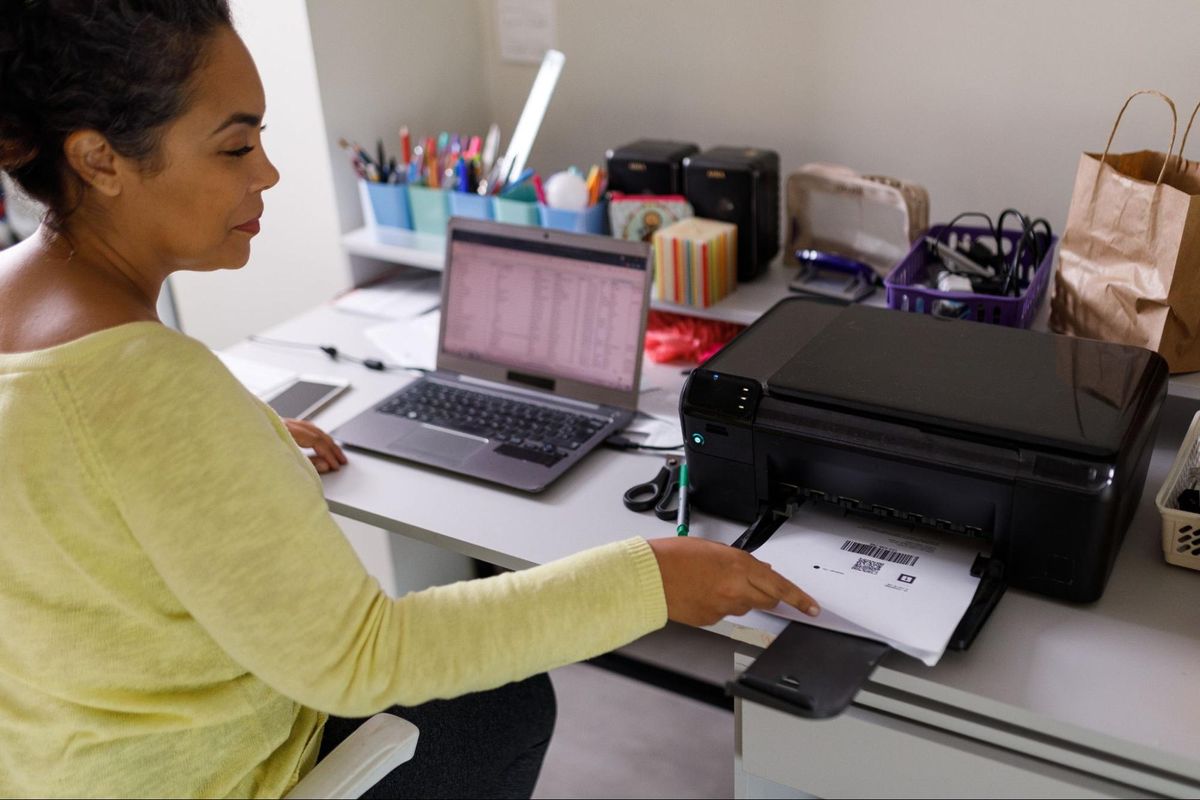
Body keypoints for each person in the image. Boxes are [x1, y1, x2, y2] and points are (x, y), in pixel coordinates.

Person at [0, 2, 819, 797]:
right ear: (99, 159)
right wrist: (651, 580)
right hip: (203, 775)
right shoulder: (151, 390)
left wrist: (239, 444)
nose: (268, 172)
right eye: (236, 145)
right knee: (503, 704)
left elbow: (80, 475)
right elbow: (364, 658)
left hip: (57, 760)